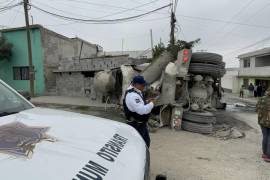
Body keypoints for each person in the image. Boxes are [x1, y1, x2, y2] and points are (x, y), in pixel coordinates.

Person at [123, 75, 155, 147]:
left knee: (146, 143)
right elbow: (141, 110)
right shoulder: (132, 95)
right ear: (136, 84)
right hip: (136, 125)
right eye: (143, 85)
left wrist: (146, 101)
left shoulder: (136, 91)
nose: (144, 87)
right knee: (138, 146)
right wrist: (152, 103)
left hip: (141, 124)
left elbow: (138, 104)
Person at [256, 87, 270, 162]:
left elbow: (257, 109)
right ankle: (268, 156)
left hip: (262, 121)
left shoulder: (261, 99)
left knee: (265, 136)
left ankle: (265, 153)